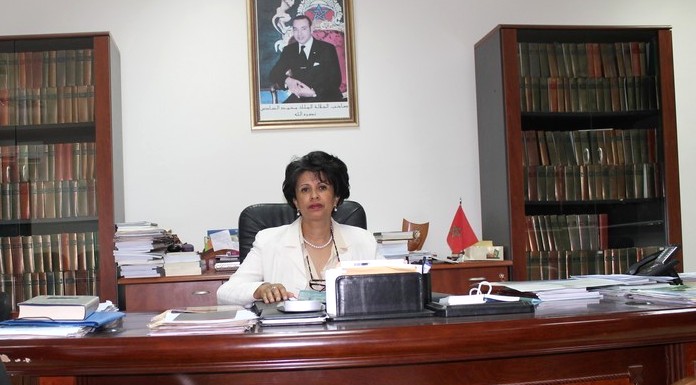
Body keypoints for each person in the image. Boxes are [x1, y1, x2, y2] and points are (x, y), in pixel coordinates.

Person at [217, 151, 382, 306]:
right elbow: (225, 293)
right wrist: (260, 289)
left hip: (347, 333)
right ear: (295, 201)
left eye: (322, 187)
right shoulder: (268, 241)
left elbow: (394, 286)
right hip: (290, 334)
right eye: (305, 189)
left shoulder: (364, 241)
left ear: (336, 197)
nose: (314, 196)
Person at [269, 15, 343, 103]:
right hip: (300, 98)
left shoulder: (327, 49)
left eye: (303, 29)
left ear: (311, 29)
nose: (299, 34)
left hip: (326, 97)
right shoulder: (289, 50)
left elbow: (335, 80)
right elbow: (274, 73)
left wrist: (313, 92)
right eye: (296, 29)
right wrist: (287, 81)